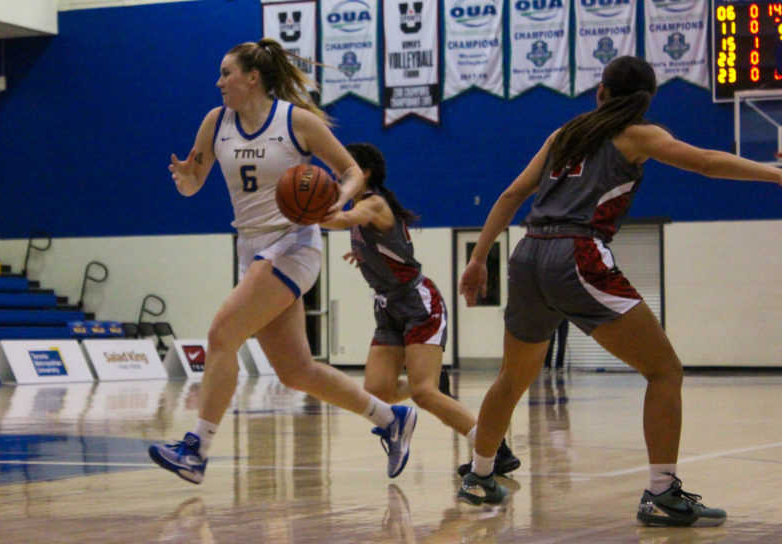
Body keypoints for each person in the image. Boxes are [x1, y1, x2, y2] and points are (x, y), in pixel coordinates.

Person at [456, 56, 782, 526]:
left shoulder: (562, 134)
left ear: (601, 91)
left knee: (511, 378)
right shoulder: (637, 134)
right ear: (645, 99)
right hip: (577, 253)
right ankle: (663, 492)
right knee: (665, 370)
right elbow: (708, 163)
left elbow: (511, 195)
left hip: (527, 254)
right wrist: (773, 174)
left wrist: (476, 257)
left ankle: (480, 475)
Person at [148, 38, 417, 483]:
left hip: (294, 243)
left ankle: (197, 449)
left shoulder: (297, 122)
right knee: (296, 371)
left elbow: (351, 172)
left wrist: (338, 201)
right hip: (250, 246)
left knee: (221, 334)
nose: (218, 83)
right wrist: (184, 177)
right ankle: (391, 418)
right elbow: (194, 182)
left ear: (252, 78)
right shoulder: (216, 123)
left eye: (226, 73)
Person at [321, 143, 520, 477]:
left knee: (424, 394)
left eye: (343, 172)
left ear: (363, 173)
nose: (337, 178)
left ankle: (496, 449)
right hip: (387, 305)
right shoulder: (364, 207)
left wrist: (301, 214)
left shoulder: (373, 203)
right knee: (377, 390)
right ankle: (430, 385)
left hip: (417, 302)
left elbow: (345, 219)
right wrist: (366, 257)